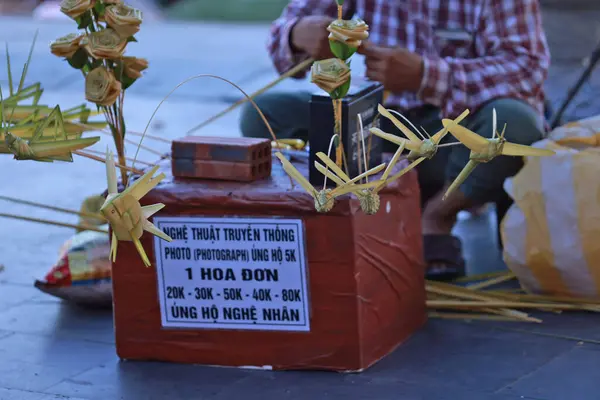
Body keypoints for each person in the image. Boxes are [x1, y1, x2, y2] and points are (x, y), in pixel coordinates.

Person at [239, 0, 550, 280]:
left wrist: (426, 76)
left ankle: (438, 215)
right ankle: (352, 211)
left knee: (514, 125)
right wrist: (298, 34)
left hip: (459, 134)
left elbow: (528, 68)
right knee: (262, 115)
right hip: (383, 132)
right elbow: (284, 33)